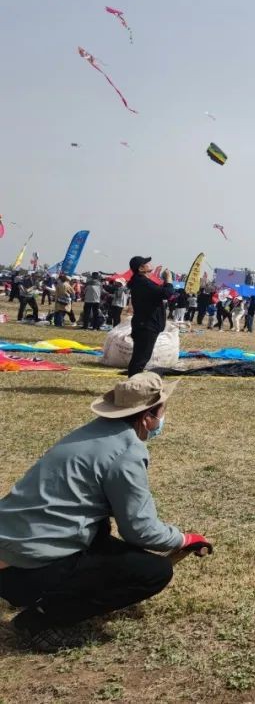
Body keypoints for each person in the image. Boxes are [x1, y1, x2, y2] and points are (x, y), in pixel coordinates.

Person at [0, 373, 213, 653]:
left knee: (102, 536)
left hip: (11, 545)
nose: (163, 417)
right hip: (24, 570)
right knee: (153, 571)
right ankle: (36, 621)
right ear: (147, 416)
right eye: (161, 410)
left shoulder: (91, 431)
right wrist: (184, 539)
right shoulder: (126, 452)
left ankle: (40, 590)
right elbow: (140, 530)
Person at [127, 256, 173, 377]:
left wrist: (164, 283)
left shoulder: (142, 281)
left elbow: (158, 292)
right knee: (141, 358)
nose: (150, 264)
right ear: (141, 268)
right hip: (146, 325)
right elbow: (166, 293)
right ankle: (133, 386)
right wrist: (169, 280)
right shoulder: (142, 282)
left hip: (145, 323)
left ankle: (133, 383)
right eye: (146, 263)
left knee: (140, 357)